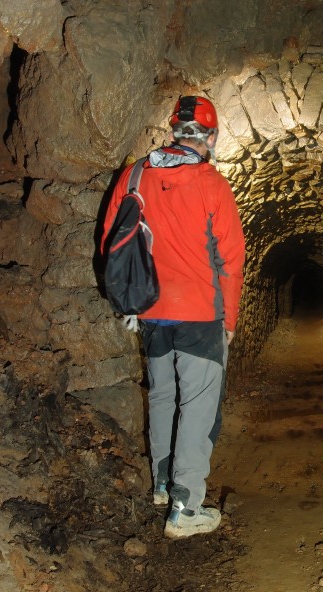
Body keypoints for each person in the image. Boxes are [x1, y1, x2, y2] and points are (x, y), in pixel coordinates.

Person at [102, 96, 246, 539]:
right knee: (197, 407)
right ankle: (186, 507)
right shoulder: (211, 184)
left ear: (173, 131)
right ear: (211, 137)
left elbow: (112, 237)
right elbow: (232, 259)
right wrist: (231, 319)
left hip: (150, 312)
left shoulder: (135, 175)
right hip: (200, 315)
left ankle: (162, 484)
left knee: (163, 396)